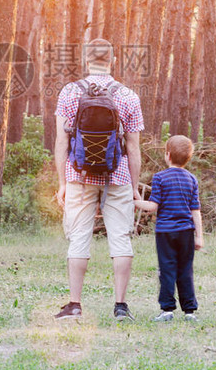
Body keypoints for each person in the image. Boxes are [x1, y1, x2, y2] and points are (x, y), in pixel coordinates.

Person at [53, 38, 144, 321]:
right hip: (117, 175)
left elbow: (61, 142)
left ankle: (75, 305)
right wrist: (134, 186)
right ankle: (120, 306)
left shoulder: (69, 92)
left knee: (79, 238)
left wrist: (62, 183)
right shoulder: (128, 95)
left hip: (78, 174)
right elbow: (132, 147)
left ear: (85, 59)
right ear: (112, 60)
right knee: (120, 238)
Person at [134, 134, 203, 322]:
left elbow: (153, 206)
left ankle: (167, 310)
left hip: (165, 232)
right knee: (185, 269)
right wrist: (199, 237)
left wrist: (135, 202)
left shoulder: (160, 178)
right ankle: (189, 311)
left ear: (167, 155)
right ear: (188, 158)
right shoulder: (192, 179)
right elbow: (195, 210)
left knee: (167, 269)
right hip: (187, 232)